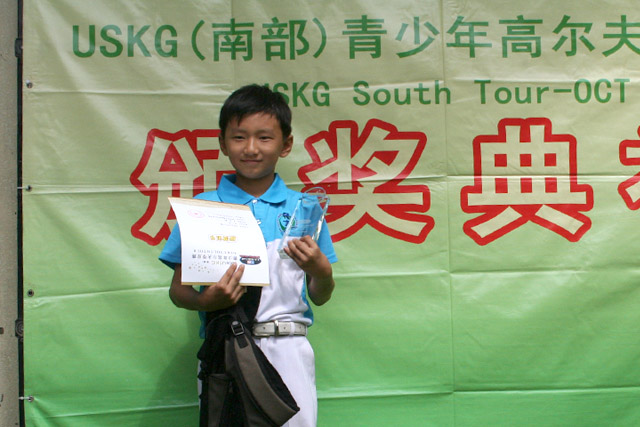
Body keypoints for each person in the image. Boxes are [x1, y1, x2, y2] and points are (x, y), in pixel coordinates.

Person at [159, 84, 338, 426]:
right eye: (239, 137)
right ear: (222, 142)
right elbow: (178, 291)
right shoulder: (202, 209)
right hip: (225, 349)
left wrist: (322, 272)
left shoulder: (304, 209)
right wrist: (205, 301)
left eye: (264, 137)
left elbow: (321, 294)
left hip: (289, 347)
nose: (251, 148)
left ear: (286, 144)